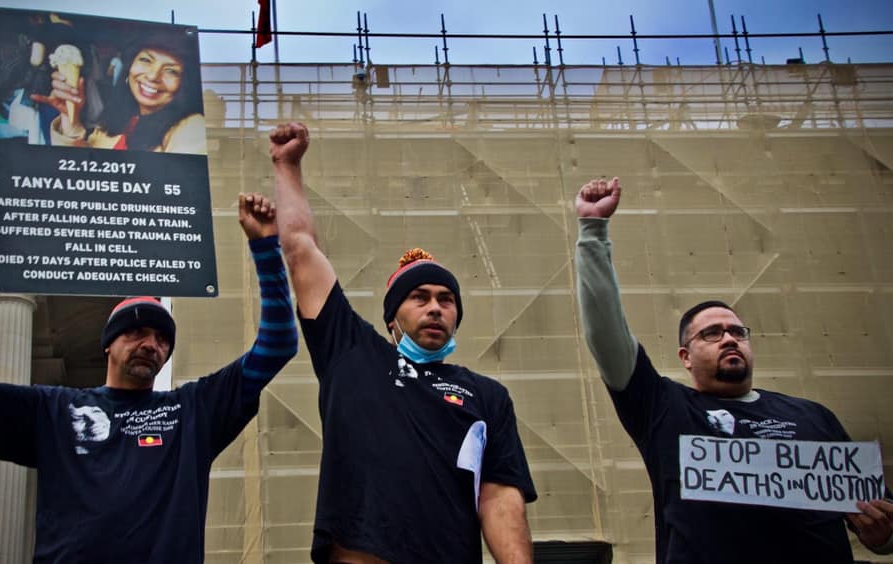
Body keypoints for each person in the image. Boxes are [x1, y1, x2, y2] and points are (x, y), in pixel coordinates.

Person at [0, 193, 296, 562]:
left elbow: (278, 345)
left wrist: (265, 245)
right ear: (108, 344)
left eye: (161, 340)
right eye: (136, 333)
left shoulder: (192, 411)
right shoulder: (54, 409)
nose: (151, 345)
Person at [574, 177, 893, 563]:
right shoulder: (663, 407)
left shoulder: (814, 417)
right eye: (711, 333)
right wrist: (593, 232)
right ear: (685, 356)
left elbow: (876, 519)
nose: (729, 338)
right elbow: (608, 333)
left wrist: (882, 533)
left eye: (737, 331)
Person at [269, 122, 538, 563]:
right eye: (419, 297)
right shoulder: (353, 354)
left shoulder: (488, 396)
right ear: (392, 317)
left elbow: (499, 498)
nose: (435, 308)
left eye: (446, 300)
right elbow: (300, 248)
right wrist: (287, 165)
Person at [34, 34, 206, 154]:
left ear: (184, 82)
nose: (153, 76)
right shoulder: (118, 116)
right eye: (146, 60)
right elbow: (82, 175)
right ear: (129, 66)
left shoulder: (192, 127)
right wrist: (70, 118)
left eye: (171, 71)